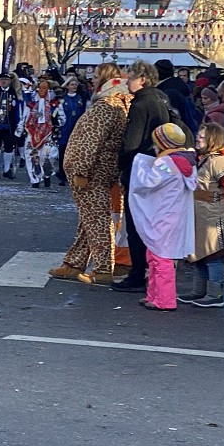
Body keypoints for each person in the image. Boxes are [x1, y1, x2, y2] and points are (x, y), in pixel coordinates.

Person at [51, 63, 132, 285]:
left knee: (97, 221)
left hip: (93, 173)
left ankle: (103, 268)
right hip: (101, 170)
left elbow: (90, 141)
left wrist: (81, 171)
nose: (92, 80)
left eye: (96, 76)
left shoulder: (106, 106)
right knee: (90, 220)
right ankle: (74, 263)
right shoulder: (119, 104)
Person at [113, 60, 170, 293]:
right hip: (159, 166)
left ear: (142, 79)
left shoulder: (140, 104)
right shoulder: (161, 99)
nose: (127, 81)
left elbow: (132, 142)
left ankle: (137, 274)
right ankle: (154, 272)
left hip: (140, 169)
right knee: (152, 223)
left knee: (136, 225)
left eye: (131, 77)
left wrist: (120, 166)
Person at [128, 124, 198, 311]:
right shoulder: (187, 161)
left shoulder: (168, 163)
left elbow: (148, 181)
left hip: (163, 215)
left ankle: (165, 300)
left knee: (161, 257)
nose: (154, 147)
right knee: (155, 254)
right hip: (173, 214)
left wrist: (139, 162)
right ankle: (154, 294)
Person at [181, 123, 224, 309]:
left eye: (202, 137)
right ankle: (199, 291)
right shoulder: (206, 159)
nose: (198, 139)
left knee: (213, 254)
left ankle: (215, 294)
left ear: (212, 140)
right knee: (199, 253)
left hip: (215, 213)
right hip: (202, 212)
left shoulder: (220, 162)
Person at [17, 79, 62, 188]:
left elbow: (62, 118)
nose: (42, 90)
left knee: (47, 156)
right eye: (40, 88)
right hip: (32, 133)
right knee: (31, 156)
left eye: (45, 88)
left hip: (48, 134)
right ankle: (34, 179)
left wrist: (56, 121)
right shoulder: (31, 104)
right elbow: (24, 117)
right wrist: (18, 131)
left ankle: (46, 175)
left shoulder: (54, 104)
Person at [56, 76, 87, 185]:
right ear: (67, 86)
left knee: (75, 154)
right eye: (72, 84)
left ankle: (73, 175)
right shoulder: (63, 99)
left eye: (75, 84)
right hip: (65, 129)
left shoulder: (80, 98)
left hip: (77, 129)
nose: (74, 86)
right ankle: (62, 175)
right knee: (63, 152)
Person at [156, 58, 200, 135]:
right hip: (186, 131)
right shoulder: (180, 86)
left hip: (175, 135)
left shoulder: (169, 91)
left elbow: (170, 117)